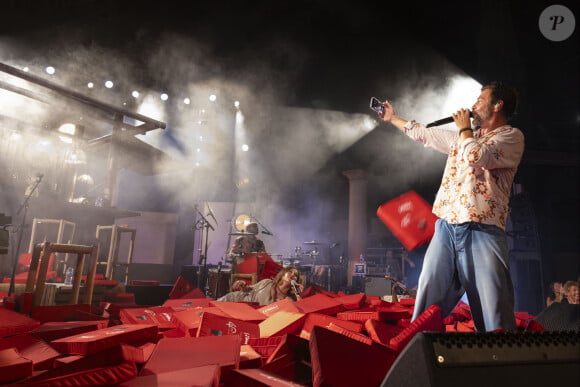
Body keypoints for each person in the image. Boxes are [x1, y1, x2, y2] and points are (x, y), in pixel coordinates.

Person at [376, 81, 524, 332]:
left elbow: (477, 157)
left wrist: (465, 129)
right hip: (446, 226)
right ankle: (418, 353)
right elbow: (425, 134)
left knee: (493, 307)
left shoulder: (510, 137)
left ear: (498, 105)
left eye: (480, 100)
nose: (473, 105)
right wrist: (392, 118)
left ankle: (500, 361)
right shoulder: (465, 136)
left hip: (482, 229)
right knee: (428, 292)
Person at [217, 265, 303, 306]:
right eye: (290, 272)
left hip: (249, 314)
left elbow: (298, 313)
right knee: (209, 310)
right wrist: (242, 284)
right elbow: (248, 289)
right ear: (282, 274)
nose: (292, 275)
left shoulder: (289, 301)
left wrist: (298, 295)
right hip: (235, 300)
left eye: (295, 275)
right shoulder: (267, 282)